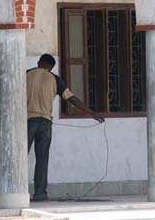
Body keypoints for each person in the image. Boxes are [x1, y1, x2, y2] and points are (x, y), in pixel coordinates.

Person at [26, 53, 104, 202]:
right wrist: (92, 113)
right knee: (42, 160)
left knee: (20, 159)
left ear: (39, 62)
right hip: (45, 123)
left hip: (28, 121)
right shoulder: (55, 79)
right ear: (51, 67)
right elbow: (71, 99)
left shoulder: (26, 74)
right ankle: (40, 194)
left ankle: (18, 192)